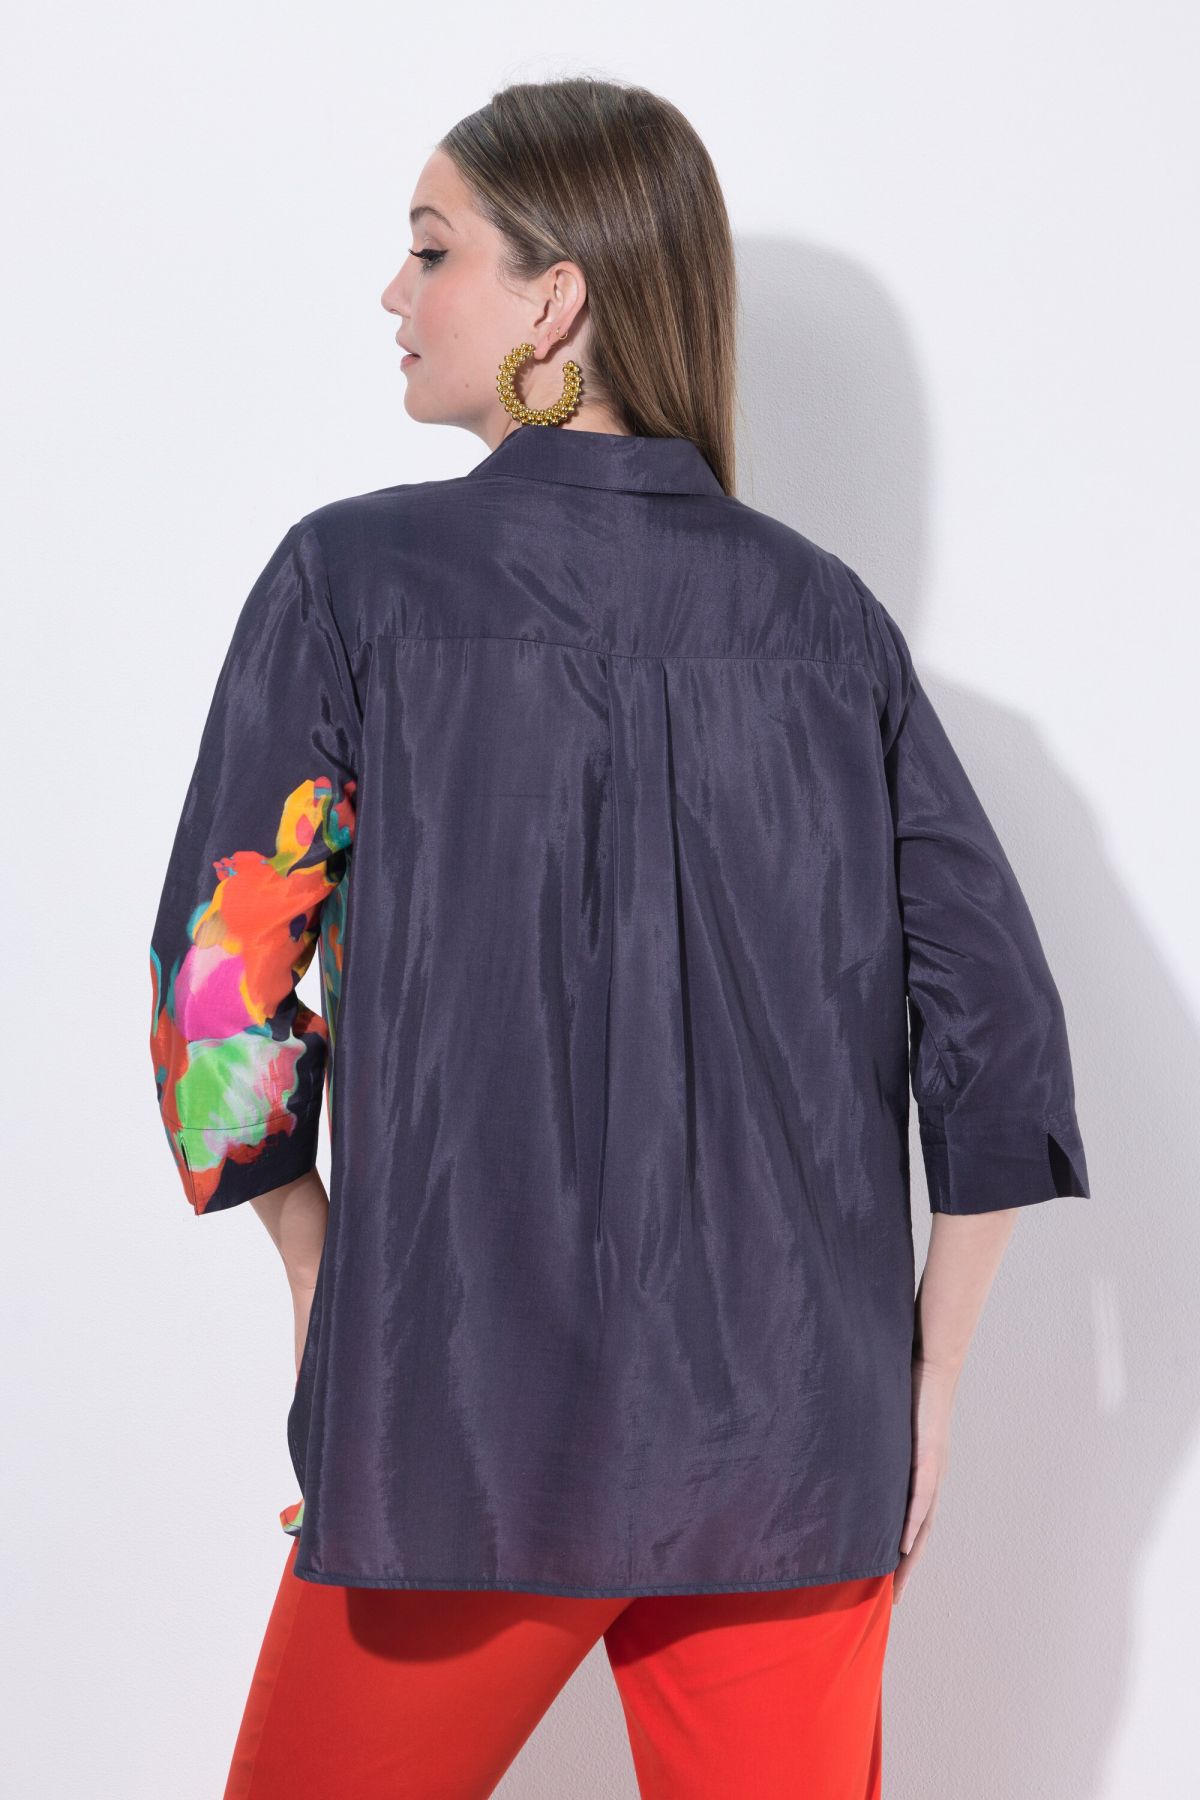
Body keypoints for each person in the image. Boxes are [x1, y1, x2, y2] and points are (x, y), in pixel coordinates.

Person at [147, 75, 1090, 1800]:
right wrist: (927, 1377)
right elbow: (1004, 1039)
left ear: (555, 299)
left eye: (433, 250)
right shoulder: (829, 624)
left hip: (450, 1426)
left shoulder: (350, 583)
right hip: (796, 1447)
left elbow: (222, 986)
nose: (393, 291)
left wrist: (314, 1263)